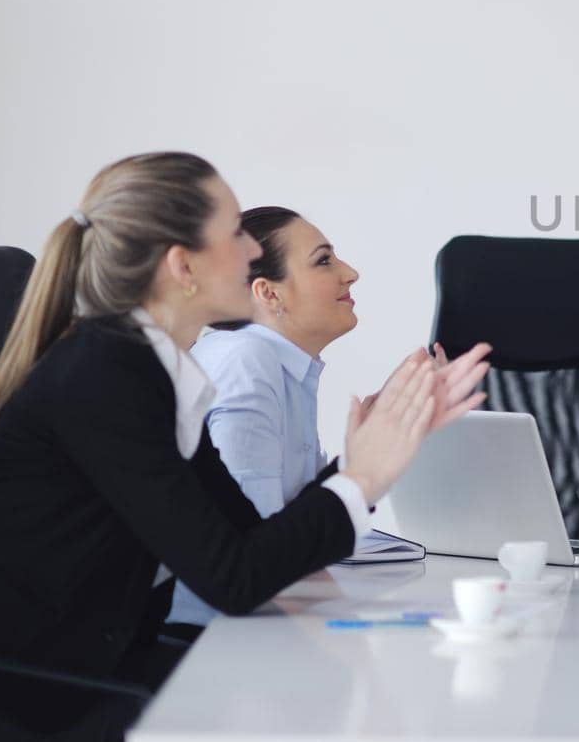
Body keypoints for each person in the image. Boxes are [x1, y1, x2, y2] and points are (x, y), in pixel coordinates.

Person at [0, 153, 488, 737]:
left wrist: (360, 459)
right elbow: (231, 579)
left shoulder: (155, 373)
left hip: (85, 670)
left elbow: (249, 544)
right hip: (16, 695)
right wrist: (361, 478)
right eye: (235, 232)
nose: (253, 252)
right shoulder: (104, 374)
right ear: (184, 265)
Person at [168, 206, 483, 628]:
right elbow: (258, 554)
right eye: (323, 260)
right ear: (268, 293)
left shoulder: (277, 364)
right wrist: (362, 472)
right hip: (216, 640)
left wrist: (372, 442)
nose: (350, 273)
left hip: (251, 623)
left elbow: (297, 529)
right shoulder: (247, 359)